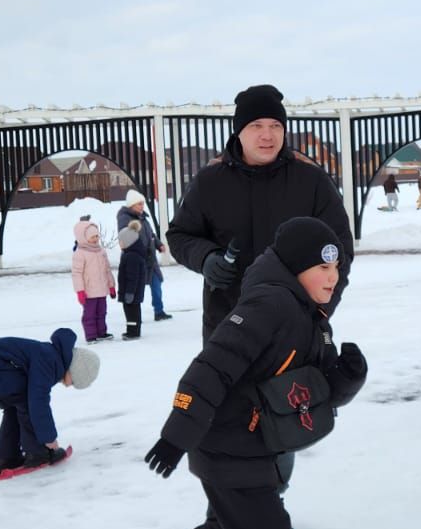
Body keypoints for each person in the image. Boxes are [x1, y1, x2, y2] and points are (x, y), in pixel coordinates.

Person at [109, 217, 368, 529]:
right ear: (296, 268)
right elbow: (212, 367)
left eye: (336, 267)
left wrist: (344, 381)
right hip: (229, 451)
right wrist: (176, 434)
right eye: (322, 266)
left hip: (251, 448)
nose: (332, 277)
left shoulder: (306, 310)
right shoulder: (269, 305)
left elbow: (296, 390)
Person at [167, 84, 354, 342]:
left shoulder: (312, 181)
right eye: (256, 125)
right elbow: (180, 236)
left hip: (295, 329)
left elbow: (339, 249)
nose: (267, 135)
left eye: (275, 126)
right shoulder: (210, 182)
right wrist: (206, 258)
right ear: (239, 131)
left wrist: (319, 312)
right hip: (227, 329)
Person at [0, 327, 100, 475]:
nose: (70, 385)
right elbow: (38, 402)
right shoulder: (50, 360)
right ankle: (38, 454)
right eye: (74, 382)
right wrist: (49, 439)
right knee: (27, 402)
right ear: (75, 369)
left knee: (14, 407)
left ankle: (7, 458)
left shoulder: (50, 355)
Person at [117, 190, 170, 321]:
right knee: (135, 289)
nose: (142, 206)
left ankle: (159, 311)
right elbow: (126, 237)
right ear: (131, 205)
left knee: (157, 284)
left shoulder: (143, 218)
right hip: (137, 259)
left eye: (142, 203)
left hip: (151, 259)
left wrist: (158, 244)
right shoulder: (125, 218)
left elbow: (150, 234)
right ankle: (134, 316)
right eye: (139, 204)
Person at [72, 216, 115, 343]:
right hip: (89, 291)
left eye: (97, 236)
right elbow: (77, 274)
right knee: (89, 314)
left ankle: (102, 332)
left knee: (102, 312)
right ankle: (91, 335)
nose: (96, 239)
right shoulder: (80, 253)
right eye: (93, 237)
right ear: (84, 237)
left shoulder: (101, 251)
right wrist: (80, 291)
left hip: (102, 289)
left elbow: (107, 269)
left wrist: (111, 286)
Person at [116, 221, 151, 340]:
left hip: (131, 292)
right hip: (132, 292)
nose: (119, 244)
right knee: (134, 311)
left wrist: (129, 292)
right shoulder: (132, 253)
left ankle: (132, 332)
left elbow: (132, 277)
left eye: (120, 241)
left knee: (131, 313)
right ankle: (134, 331)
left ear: (128, 242)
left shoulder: (131, 256)